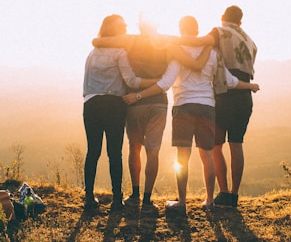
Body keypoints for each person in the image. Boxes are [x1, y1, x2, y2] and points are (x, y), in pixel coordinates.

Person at [122, 16, 259, 213]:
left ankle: (182, 203)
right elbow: (229, 80)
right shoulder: (212, 52)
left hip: (183, 106)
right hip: (207, 107)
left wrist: (139, 95)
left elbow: (166, 83)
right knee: (208, 155)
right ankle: (210, 201)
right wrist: (250, 86)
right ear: (197, 31)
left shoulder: (177, 51)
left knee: (182, 157)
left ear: (180, 29)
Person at [92, 18, 210, 214]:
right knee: (153, 151)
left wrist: (97, 41)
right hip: (158, 102)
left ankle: (135, 195)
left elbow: (98, 42)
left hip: (134, 102)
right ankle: (147, 200)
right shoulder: (168, 42)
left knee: (134, 147)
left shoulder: (130, 40)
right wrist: (209, 41)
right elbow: (194, 55)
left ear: (139, 25)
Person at [177, 5, 258, 208]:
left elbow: (199, 42)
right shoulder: (250, 41)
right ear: (241, 22)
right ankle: (233, 194)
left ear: (223, 17)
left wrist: (171, 42)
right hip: (244, 94)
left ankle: (221, 193)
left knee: (216, 145)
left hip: (224, 93)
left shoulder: (219, 31)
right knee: (237, 143)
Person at [83, 14, 157, 212]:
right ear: (113, 29)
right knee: (114, 153)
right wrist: (155, 82)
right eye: (122, 26)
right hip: (114, 105)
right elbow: (131, 81)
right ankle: (117, 200)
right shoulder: (120, 52)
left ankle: (89, 198)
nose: (125, 28)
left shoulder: (93, 52)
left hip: (91, 104)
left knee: (93, 152)